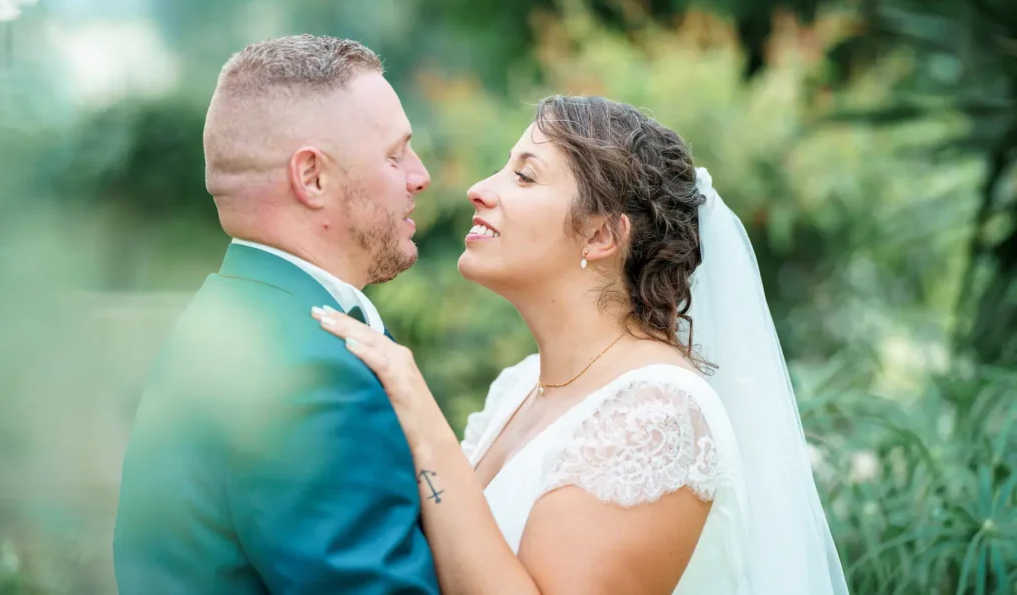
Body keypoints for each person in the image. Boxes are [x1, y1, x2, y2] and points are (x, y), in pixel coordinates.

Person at [313, 95, 850, 594]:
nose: (480, 188)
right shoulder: (520, 385)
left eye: (524, 176)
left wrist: (420, 414)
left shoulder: (657, 415)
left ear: (601, 236)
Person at [113, 35, 440, 594]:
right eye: (394, 154)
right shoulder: (310, 376)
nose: (420, 175)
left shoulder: (238, 320)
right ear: (312, 178)